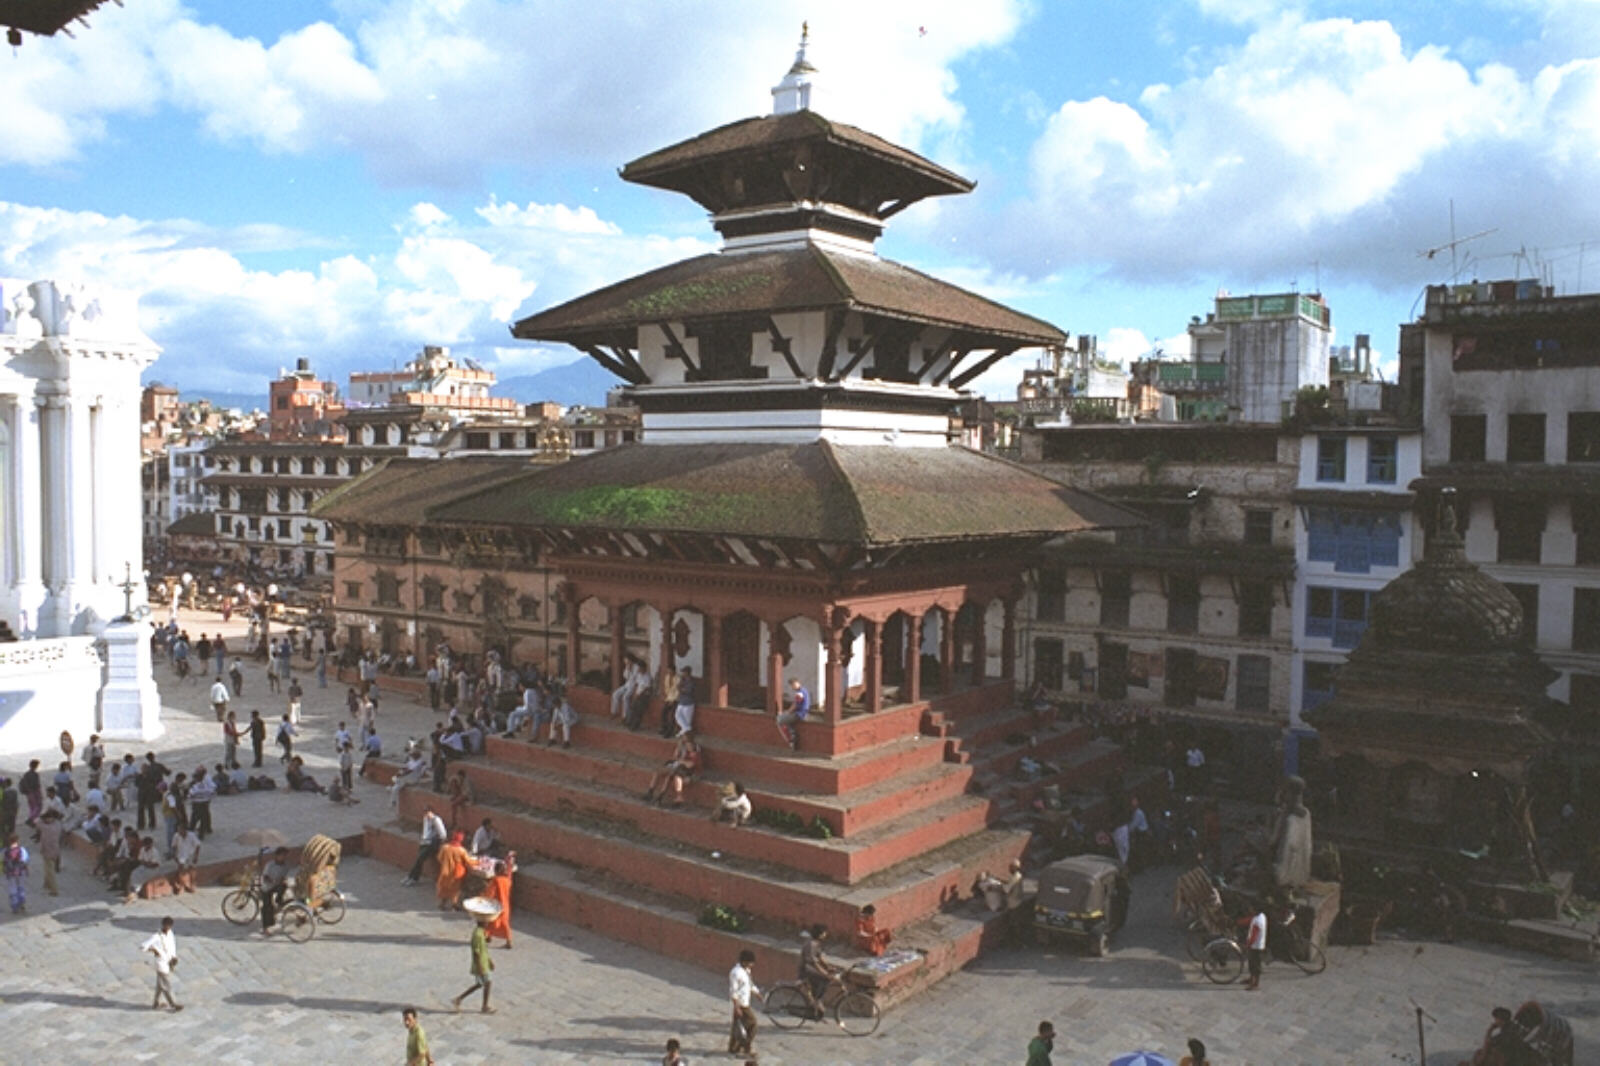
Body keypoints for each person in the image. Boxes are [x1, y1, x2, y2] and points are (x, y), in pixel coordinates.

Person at [450, 911, 496, 1013]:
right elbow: (477, 952)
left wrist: (489, 961)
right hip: (481, 964)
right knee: (487, 983)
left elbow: (484, 949)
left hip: (484, 963)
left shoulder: (481, 933)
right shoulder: (478, 935)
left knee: (480, 984)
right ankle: (484, 1006)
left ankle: (458, 999)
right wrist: (480, 966)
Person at [643, 733, 700, 807]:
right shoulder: (683, 748)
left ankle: (660, 796)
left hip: (684, 770)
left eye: (686, 741)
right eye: (683, 740)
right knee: (659, 772)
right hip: (677, 767)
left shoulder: (695, 752)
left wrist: (681, 761)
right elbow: (675, 757)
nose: (686, 744)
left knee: (669, 776)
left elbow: (690, 765)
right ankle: (651, 792)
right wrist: (679, 748)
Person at [798, 924, 841, 1021]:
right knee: (824, 978)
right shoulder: (810, 944)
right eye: (824, 933)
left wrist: (828, 967)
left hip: (812, 967)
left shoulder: (817, 943)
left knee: (824, 980)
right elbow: (813, 963)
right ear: (820, 934)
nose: (826, 935)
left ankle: (816, 1002)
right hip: (806, 969)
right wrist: (824, 973)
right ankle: (817, 1002)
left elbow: (820, 958)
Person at [143, 917, 183, 1012]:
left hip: (168, 961)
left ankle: (156, 1003)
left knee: (160, 985)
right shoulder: (156, 936)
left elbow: (172, 946)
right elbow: (143, 946)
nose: (167, 927)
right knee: (166, 984)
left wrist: (174, 956)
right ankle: (173, 1003)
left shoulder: (170, 934)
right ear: (163, 925)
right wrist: (154, 950)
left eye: (169, 926)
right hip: (161, 963)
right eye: (166, 925)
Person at [403, 805, 448, 886]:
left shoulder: (436, 820)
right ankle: (412, 877)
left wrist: (435, 841)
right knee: (419, 860)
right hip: (424, 842)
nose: (426, 814)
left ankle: (412, 877)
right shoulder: (426, 819)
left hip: (431, 844)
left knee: (419, 859)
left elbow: (443, 834)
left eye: (428, 812)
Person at [727, 949, 759, 1057]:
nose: (752, 965)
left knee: (738, 1026)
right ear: (744, 961)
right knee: (753, 1023)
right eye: (750, 962)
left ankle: (733, 1047)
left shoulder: (746, 971)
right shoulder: (735, 973)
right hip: (741, 1005)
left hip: (745, 1002)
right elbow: (733, 991)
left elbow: (750, 984)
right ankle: (746, 1046)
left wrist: (757, 993)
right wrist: (737, 1007)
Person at [482, 853, 515, 949]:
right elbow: (509, 870)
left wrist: (483, 898)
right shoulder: (507, 880)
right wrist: (509, 859)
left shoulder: (496, 880)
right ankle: (508, 941)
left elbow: (490, 893)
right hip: (505, 905)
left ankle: (487, 936)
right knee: (504, 923)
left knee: (489, 921)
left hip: (495, 905)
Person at [260, 846, 292, 935]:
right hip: (267, 887)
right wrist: (272, 881)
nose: (284, 857)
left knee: (284, 886)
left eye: (285, 855)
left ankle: (279, 900)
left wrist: (283, 880)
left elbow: (285, 876)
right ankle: (265, 927)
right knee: (267, 907)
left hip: (276, 886)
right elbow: (265, 876)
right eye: (282, 855)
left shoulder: (285, 866)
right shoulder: (270, 865)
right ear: (277, 856)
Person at [435, 830, 471, 911]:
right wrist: (477, 862)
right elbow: (468, 861)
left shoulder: (444, 847)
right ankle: (454, 905)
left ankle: (442, 904)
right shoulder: (461, 850)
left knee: (444, 888)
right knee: (455, 890)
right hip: (455, 873)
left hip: (445, 871)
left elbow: (439, 858)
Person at [776, 677, 811, 750]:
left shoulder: (800, 693)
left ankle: (791, 737)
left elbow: (795, 705)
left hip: (800, 714)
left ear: (797, 683)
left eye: (793, 685)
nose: (793, 687)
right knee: (787, 720)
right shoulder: (804, 690)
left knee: (780, 720)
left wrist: (787, 712)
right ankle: (792, 733)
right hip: (802, 712)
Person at [3, 833, 29, 913]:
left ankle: (14, 906)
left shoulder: (6, 851)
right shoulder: (22, 850)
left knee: (13, 889)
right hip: (20, 872)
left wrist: (6, 870)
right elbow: (25, 861)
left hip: (11, 873)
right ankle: (22, 903)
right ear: (17, 840)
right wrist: (26, 869)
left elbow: (5, 862)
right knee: (21, 888)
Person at [172, 824, 201, 893]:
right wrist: (175, 855)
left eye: (181, 830)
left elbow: (198, 845)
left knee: (192, 870)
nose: (180, 832)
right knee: (181, 869)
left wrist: (196, 856)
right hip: (181, 854)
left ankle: (192, 885)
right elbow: (174, 846)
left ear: (185, 830)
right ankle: (181, 885)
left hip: (190, 854)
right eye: (179, 830)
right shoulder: (176, 836)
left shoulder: (192, 835)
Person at [1245, 905, 1268, 991]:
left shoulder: (1258, 921)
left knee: (1255, 966)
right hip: (1256, 945)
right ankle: (1251, 979)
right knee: (1252, 964)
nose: (1250, 909)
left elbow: (1254, 936)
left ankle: (1255, 984)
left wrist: (1248, 944)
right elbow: (1249, 920)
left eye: (1251, 908)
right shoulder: (1261, 916)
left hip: (1256, 946)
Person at [187, 767, 215, 838]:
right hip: (205, 804)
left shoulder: (194, 786)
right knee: (203, 819)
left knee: (194, 819)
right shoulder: (206, 786)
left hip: (196, 804)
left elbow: (190, 795)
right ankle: (201, 834)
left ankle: (191, 832)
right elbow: (212, 792)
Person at [674, 667, 697, 736]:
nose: (682, 673)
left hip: (688, 703)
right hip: (681, 701)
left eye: (683, 672)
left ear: (687, 672)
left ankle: (686, 734)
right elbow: (678, 687)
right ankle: (687, 729)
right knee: (677, 716)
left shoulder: (691, 681)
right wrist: (680, 685)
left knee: (687, 720)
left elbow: (688, 691)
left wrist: (680, 689)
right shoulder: (682, 680)